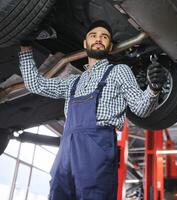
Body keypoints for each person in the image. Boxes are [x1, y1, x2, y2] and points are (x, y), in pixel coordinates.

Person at [18, 20, 167, 200]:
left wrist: (153, 88)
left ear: (110, 46)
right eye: (93, 36)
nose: (98, 39)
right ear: (85, 43)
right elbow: (35, 84)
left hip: (97, 147)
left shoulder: (119, 71)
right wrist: (26, 46)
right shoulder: (73, 81)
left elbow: (141, 109)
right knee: (58, 194)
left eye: (104, 37)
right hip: (67, 149)